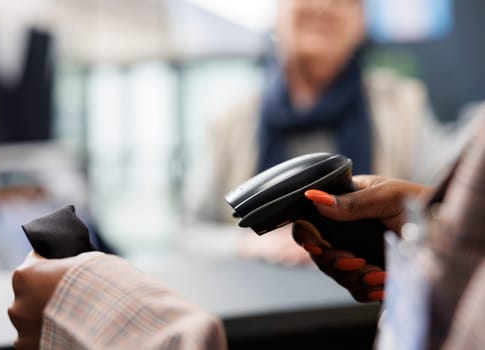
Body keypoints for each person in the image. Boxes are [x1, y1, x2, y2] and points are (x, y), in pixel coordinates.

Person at [9, 114, 485, 349]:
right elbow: (188, 226)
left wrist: (94, 312)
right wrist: (427, 241)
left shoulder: (401, 109)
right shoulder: (234, 122)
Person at [184, 0, 478, 266]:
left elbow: (445, 208)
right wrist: (249, 245)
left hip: (366, 313)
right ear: (276, 12)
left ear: (362, 23)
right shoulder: (230, 122)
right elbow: (189, 233)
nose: (323, 6)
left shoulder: (404, 107)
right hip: (260, 307)